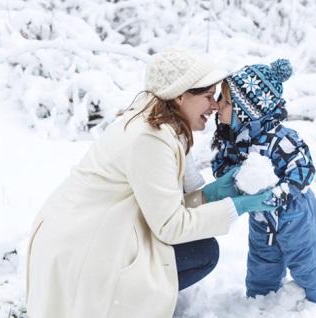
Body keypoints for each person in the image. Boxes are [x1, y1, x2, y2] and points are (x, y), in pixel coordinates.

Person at [25, 47, 278, 318]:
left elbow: (161, 205)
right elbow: (170, 226)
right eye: (207, 96)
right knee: (203, 252)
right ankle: (119, 306)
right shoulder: (151, 139)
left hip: (89, 236)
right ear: (180, 96)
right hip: (83, 252)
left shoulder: (153, 123)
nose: (215, 106)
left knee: (200, 248)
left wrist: (209, 195)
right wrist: (234, 207)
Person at [210, 58, 316, 313]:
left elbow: (304, 168)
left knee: (307, 266)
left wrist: (280, 194)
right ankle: (261, 306)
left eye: (227, 102)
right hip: (261, 218)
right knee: (261, 266)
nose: (218, 106)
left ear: (248, 110)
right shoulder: (235, 139)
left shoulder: (280, 140)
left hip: (295, 215)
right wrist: (232, 176)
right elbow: (222, 167)